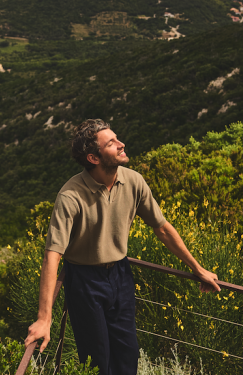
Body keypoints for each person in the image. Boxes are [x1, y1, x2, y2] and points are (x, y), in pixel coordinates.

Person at [24, 119, 221, 375]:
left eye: (117, 139)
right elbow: (52, 256)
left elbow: (162, 228)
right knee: (97, 360)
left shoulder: (133, 181)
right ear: (94, 158)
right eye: (112, 143)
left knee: (127, 355)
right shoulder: (70, 196)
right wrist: (44, 318)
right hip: (84, 282)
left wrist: (198, 268)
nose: (121, 145)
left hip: (120, 275)